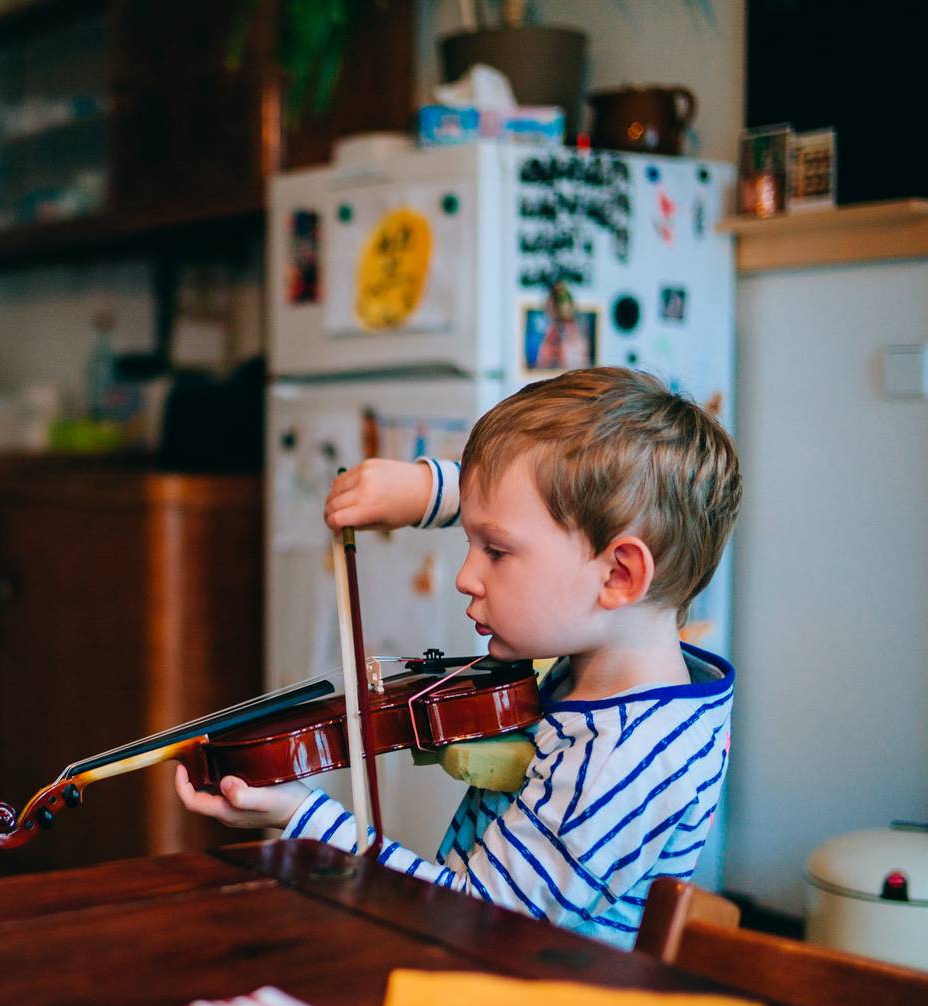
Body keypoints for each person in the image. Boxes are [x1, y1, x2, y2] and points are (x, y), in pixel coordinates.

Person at [173, 367, 741, 949]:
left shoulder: (620, 761)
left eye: (494, 551)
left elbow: (479, 920)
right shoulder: (626, 657)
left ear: (619, 574)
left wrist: (308, 823)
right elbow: (534, 501)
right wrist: (426, 492)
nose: (467, 577)